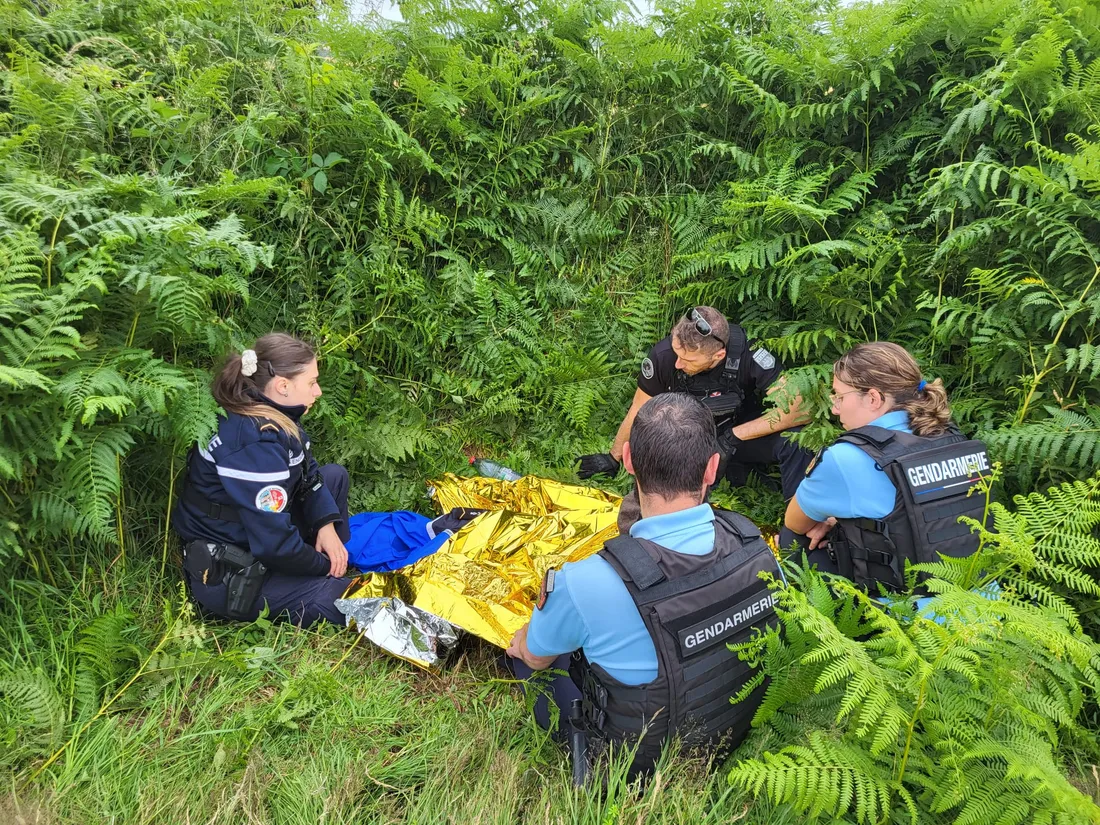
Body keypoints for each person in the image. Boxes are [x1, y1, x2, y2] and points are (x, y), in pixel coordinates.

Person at [507, 394, 781, 779]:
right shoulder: (754, 546)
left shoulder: (586, 580)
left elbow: (536, 657)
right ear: (712, 468)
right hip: (731, 728)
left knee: (529, 658)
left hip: (638, 763)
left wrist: (523, 642)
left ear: (629, 460)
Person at [174, 333, 354, 626]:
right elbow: (275, 545)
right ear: (283, 386)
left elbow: (309, 472)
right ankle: (324, 575)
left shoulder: (268, 410)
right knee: (348, 599)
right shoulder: (254, 443)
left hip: (255, 534)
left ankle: (329, 561)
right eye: (311, 382)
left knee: (334, 477)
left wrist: (326, 525)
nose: (318, 391)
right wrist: (323, 567)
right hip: (231, 571)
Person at [576, 307, 812, 528]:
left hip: (738, 435)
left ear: (718, 355)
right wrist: (613, 457)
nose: (678, 364)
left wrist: (733, 437)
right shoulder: (664, 355)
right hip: (687, 440)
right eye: (676, 353)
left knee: (796, 439)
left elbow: (800, 409)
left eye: (688, 360)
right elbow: (639, 409)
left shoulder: (748, 354)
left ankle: (799, 524)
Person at [784, 342, 992, 592]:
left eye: (839, 396)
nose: (835, 408)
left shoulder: (845, 457)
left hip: (911, 608)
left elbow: (795, 522)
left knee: (791, 538)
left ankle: (837, 614)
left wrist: (834, 520)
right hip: (984, 595)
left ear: (873, 398)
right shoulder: (952, 436)